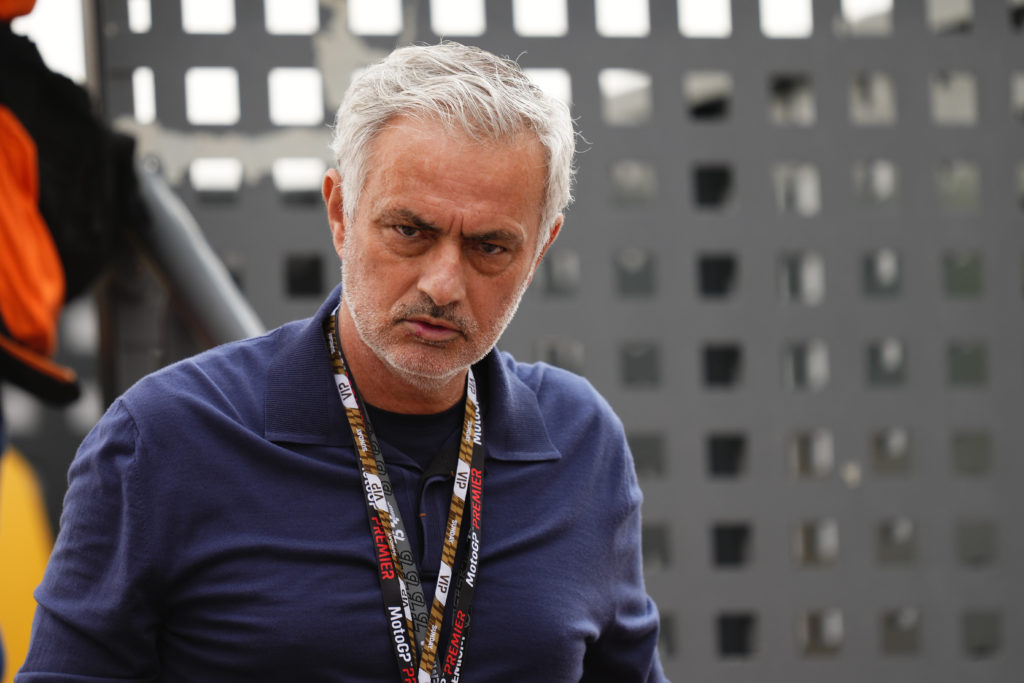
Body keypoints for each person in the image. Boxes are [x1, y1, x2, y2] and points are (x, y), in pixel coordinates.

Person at [19, 42, 666, 682]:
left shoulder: (581, 440)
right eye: (410, 231)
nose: (443, 283)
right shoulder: (163, 438)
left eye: (489, 246)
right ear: (340, 213)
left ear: (541, 247)